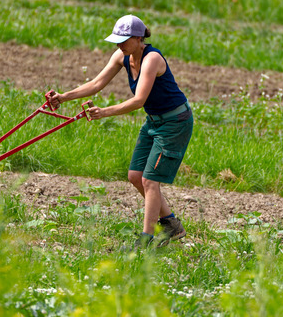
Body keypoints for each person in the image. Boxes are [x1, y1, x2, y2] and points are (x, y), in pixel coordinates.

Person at [48, 14, 193, 248]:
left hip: (175, 122)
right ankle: (171, 224)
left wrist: (104, 112)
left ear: (138, 38)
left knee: (149, 180)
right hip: (154, 120)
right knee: (135, 176)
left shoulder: (152, 59)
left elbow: (138, 100)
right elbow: (96, 84)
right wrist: (64, 97)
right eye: (117, 40)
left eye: (124, 40)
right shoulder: (122, 56)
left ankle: (146, 241)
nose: (119, 45)